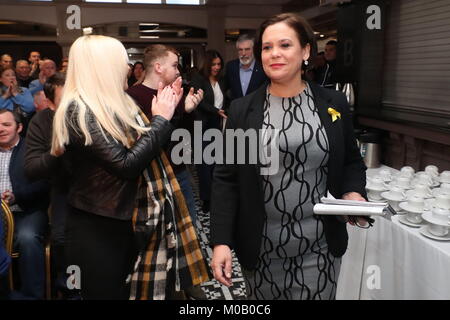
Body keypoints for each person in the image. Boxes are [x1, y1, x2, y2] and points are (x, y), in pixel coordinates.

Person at [210, 13, 367, 300]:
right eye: (267, 48)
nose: (274, 54)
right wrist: (220, 241)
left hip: (319, 248)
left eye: (285, 45)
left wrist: (353, 192)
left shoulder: (333, 104)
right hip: (262, 250)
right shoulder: (242, 110)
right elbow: (226, 179)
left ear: (306, 51)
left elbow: (351, 162)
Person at [50, 35, 208, 300]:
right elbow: (126, 165)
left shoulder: (114, 104)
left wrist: (165, 116)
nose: (128, 67)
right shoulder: (79, 111)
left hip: (125, 220)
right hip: (97, 229)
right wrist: (160, 120)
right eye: (122, 62)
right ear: (103, 67)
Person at [126, 45, 203, 225]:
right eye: (175, 65)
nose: (178, 71)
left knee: (188, 227)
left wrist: (188, 110)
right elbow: (143, 141)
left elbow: (184, 136)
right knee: (157, 235)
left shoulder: (175, 92)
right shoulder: (132, 97)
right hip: (150, 178)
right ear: (159, 67)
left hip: (179, 172)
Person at [25, 72, 77, 299]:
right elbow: (32, 168)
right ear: (50, 103)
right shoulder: (41, 121)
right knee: (62, 239)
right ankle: (70, 291)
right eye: (65, 99)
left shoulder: (89, 114)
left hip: (97, 189)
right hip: (63, 189)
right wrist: (54, 154)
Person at [0, 109, 50, 299]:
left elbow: (44, 183)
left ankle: (32, 296)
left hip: (26, 211)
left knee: (28, 238)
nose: (1, 129)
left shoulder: (32, 150)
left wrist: (16, 196)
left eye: (6, 124)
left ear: (19, 127)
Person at [190, 50, 227, 213]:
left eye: (219, 64)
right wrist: (215, 111)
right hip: (203, 124)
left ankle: (217, 196)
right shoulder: (199, 79)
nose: (217, 67)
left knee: (216, 164)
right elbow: (199, 102)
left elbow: (227, 98)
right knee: (204, 165)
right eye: (213, 64)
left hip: (217, 124)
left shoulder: (222, 80)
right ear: (207, 64)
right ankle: (206, 199)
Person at [225, 34, 268, 101]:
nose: (243, 53)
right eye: (240, 50)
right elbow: (226, 90)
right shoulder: (231, 67)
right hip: (236, 110)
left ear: (254, 50)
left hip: (256, 110)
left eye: (247, 49)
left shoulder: (263, 68)